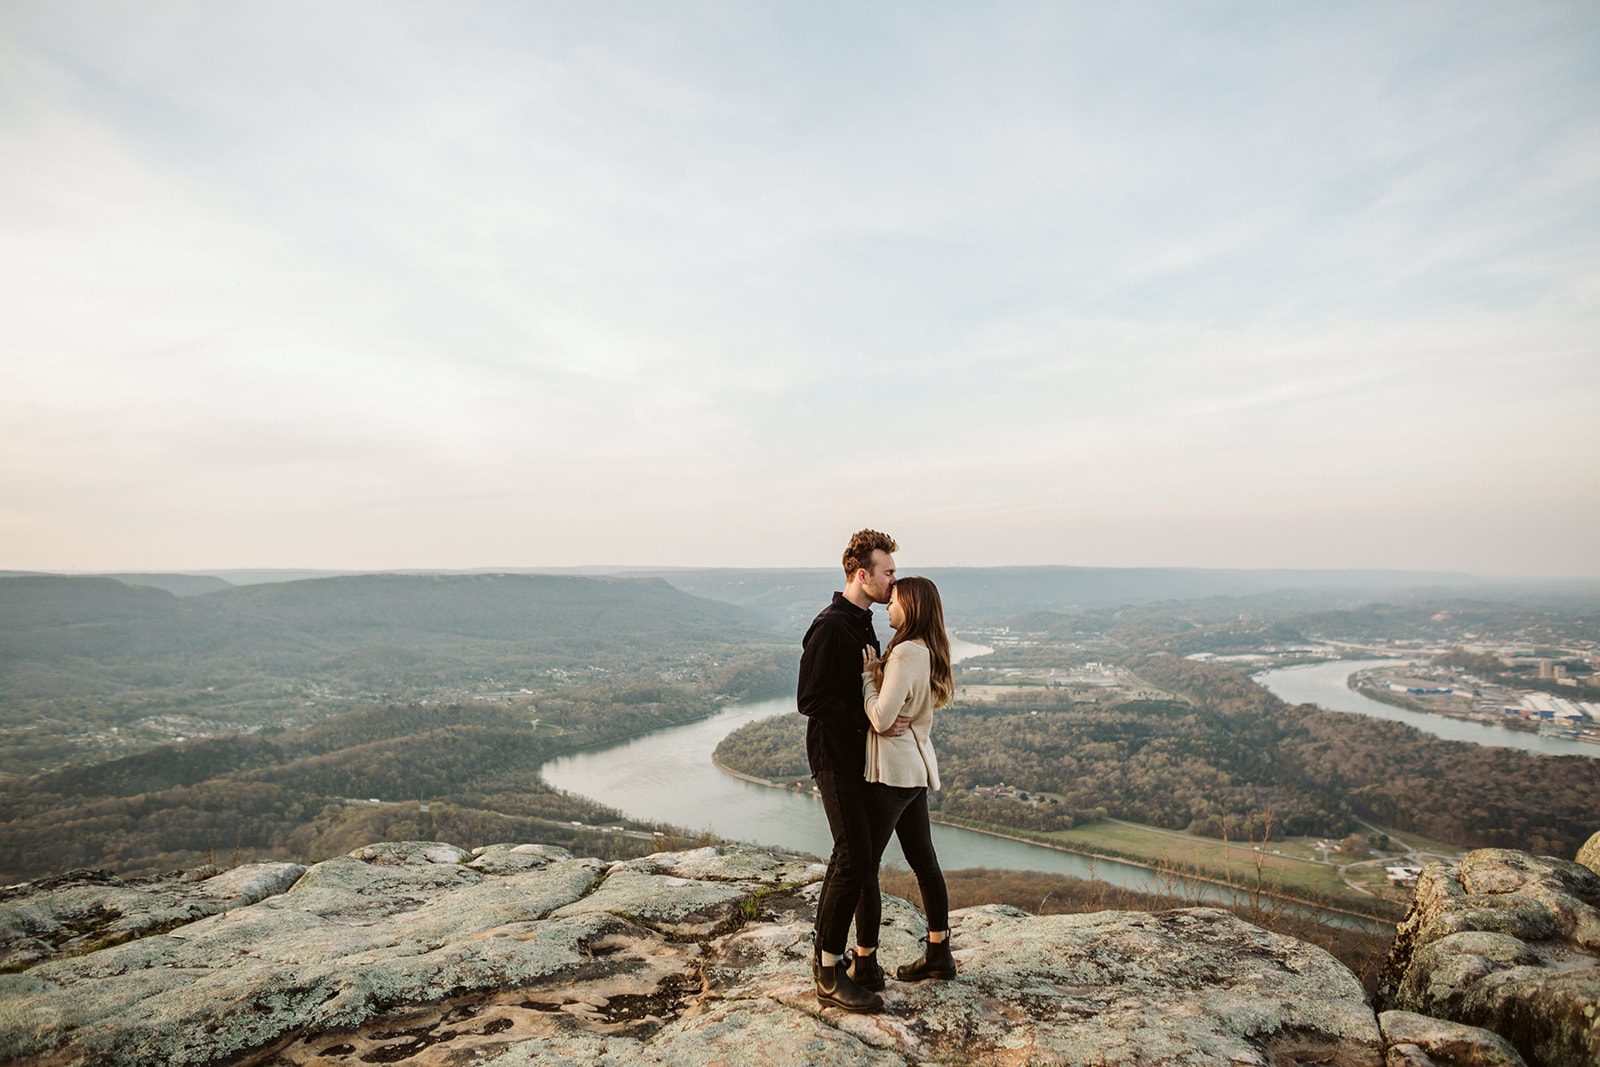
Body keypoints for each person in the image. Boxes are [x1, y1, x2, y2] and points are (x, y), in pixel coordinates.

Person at [796, 528, 910, 1013]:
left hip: (859, 757)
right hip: (835, 760)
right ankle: (827, 971)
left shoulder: (862, 622)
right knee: (853, 858)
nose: (893, 580)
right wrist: (869, 718)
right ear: (862, 575)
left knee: (859, 861)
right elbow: (811, 700)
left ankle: (856, 962)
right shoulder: (831, 626)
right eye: (887, 572)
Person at [856, 575, 957, 985]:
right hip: (913, 772)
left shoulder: (907, 654)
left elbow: (880, 718)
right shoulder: (924, 649)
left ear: (911, 607)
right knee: (924, 861)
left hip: (895, 775)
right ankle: (939, 953)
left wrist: (867, 677)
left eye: (893, 600)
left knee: (864, 866)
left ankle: (865, 963)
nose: (887, 606)